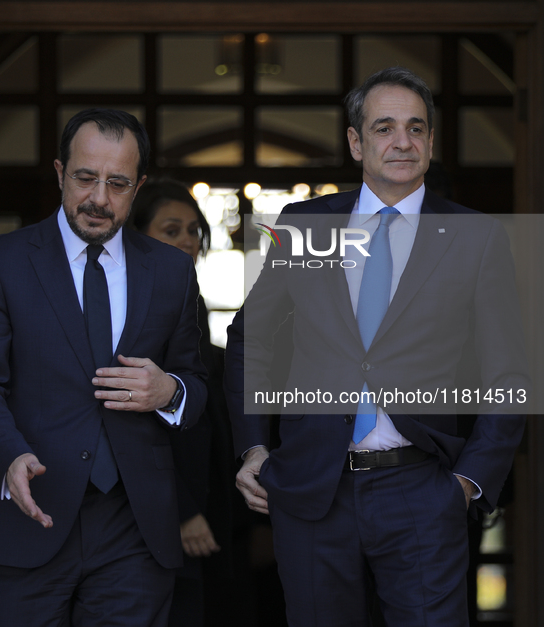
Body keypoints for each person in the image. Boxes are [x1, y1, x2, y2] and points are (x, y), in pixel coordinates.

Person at [225, 67, 529, 626]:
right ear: (355, 141)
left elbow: (509, 370)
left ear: (432, 142)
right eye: (384, 127)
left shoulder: (476, 237)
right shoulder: (303, 225)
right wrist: (252, 450)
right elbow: (252, 339)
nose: (402, 141)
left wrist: (468, 483)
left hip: (422, 488)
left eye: (416, 128)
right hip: (312, 488)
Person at [0, 109, 207, 627]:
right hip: (29, 510)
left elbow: (198, 384)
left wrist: (169, 391)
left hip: (134, 527)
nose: (99, 199)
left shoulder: (172, 271)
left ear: (137, 187)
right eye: (85, 178)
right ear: (59, 172)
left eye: (117, 184)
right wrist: (8, 454)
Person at [132, 180, 247, 627]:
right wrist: (182, 512)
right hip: (165, 514)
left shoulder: (189, 301)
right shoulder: (134, 308)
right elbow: (139, 424)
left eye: (194, 230)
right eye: (171, 230)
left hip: (213, 506)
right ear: (139, 236)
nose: (187, 240)